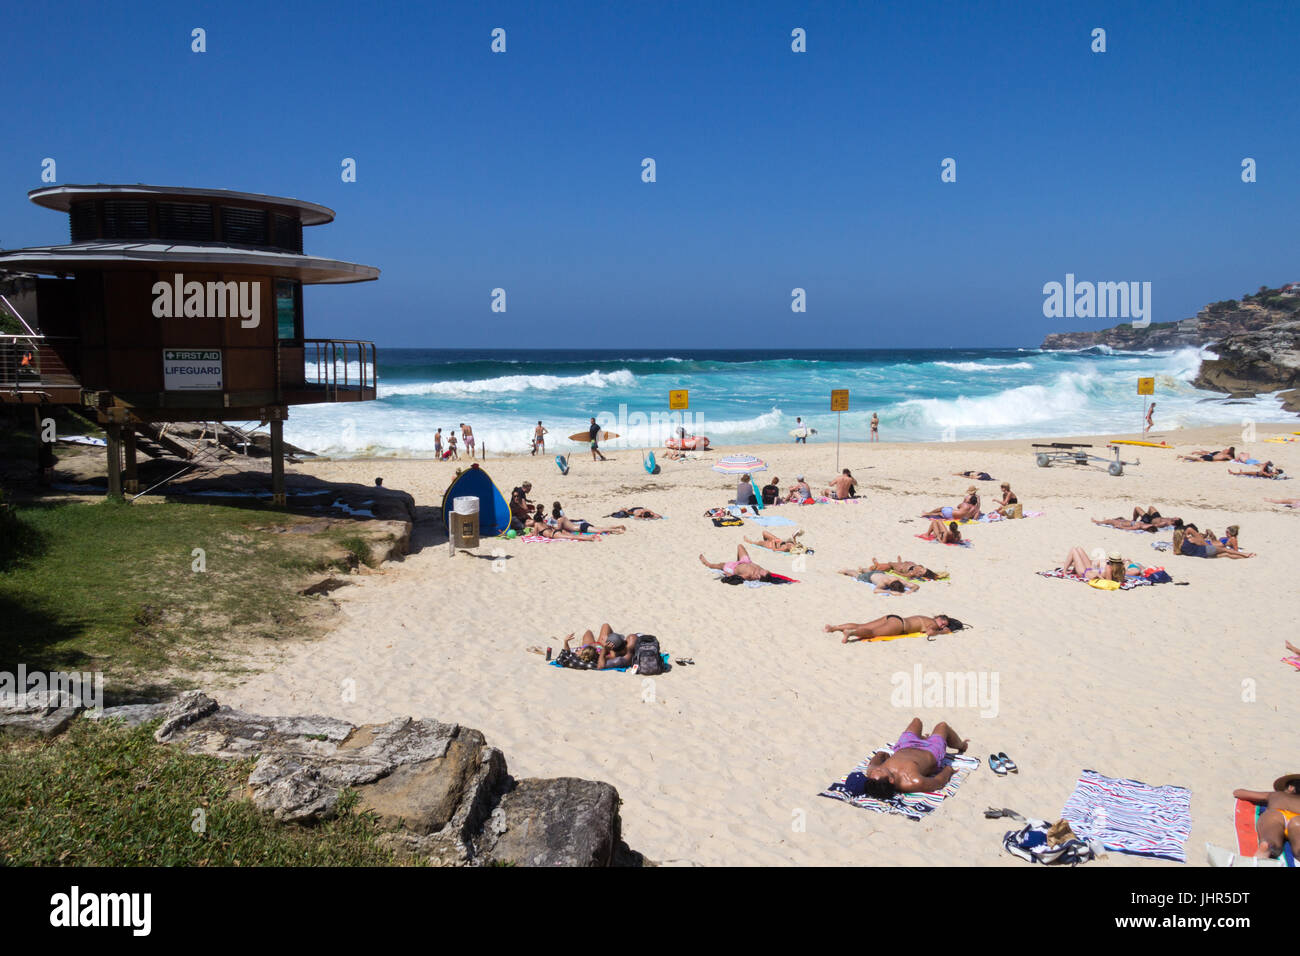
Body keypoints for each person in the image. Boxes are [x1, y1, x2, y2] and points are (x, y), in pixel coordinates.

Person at [851, 718, 969, 797]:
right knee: (942, 726)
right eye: (880, 771)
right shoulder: (913, 781)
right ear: (891, 780)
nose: (877, 769)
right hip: (931, 750)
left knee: (917, 721)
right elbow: (938, 782)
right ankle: (961, 745)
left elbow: (880, 754)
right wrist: (949, 770)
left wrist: (886, 755)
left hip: (905, 744)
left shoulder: (872, 772)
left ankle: (922, 738)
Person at [1232, 774, 1300, 859]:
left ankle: (1267, 845)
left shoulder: (1277, 795)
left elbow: (1239, 793)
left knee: (1270, 840)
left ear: (1290, 787)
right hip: (1298, 819)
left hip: (1275, 815)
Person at [823, 615, 965, 644]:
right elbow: (930, 633)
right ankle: (851, 633)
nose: (940, 625)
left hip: (893, 617)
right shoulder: (933, 624)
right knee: (871, 633)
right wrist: (942, 632)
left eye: (943, 625)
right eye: (942, 622)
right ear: (938, 618)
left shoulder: (927, 617)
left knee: (863, 625)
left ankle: (834, 628)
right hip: (899, 626)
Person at [562, 625, 641, 670]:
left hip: (589, 646)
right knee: (605, 626)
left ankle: (611, 638)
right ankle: (611, 638)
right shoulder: (614, 653)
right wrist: (606, 643)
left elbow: (600, 666)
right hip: (597, 645)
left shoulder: (611, 656)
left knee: (588, 633)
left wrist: (604, 648)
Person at [698, 545, 776, 582]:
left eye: (762, 571)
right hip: (746, 561)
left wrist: (728, 574)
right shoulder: (765, 572)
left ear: (758, 576)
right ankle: (738, 561)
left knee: (720, 565)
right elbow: (770, 574)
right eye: (765, 570)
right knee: (740, 546)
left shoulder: (749, 575)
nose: (763, 569)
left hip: (733, 568)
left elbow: (736, 577)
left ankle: (707, 564)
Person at [1176, 525, 1254, 559]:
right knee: (1226, 554)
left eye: (1227, 532)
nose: (1225, 533)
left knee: (1226, 552)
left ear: (1231, 533)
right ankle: (1246, 557)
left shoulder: (1232, 539)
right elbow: (1215, 541)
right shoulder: (1224, 538)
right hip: (1208, 545)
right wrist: (1212, 535)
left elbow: (1235, 550)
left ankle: (1245, 555)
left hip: (1208, 546)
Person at [548, 502, 625, 534]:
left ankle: (617, 530)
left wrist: (551, 526)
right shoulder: (563, 517)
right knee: (599, 528)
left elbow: (559, 529)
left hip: (581, 527)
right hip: (582, 525)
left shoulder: (559, 520)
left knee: (599, 530)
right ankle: (616, 526)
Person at [836, 567, 918, 594]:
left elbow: (915, 586)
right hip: (869, 577)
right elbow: (875, 590)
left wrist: (911, 590)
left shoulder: (897, 579)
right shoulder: (883, 584)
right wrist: (889, 592)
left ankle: (862, 568)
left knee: (869, 571)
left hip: (879, 573)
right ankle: (846, 571)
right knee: (857, 576)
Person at [1062, 547, 1126, 581]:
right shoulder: (1121, 567)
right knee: (1079, 548)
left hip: (1085, 573)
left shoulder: (1109, 568)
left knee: (1073, 550)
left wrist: (1099, 576)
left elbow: (1108, 582)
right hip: (1090, 569)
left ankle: (1064, 572)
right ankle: (1074, 569)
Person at [865, 556, 948, 580]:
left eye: (920, 572)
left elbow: (903, 575)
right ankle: (877, 564)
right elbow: (926, 571)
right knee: (893, 564)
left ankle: (876, 564)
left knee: (874, 567)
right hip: (901, 564)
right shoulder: (920, 567)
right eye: (922, 569)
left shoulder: (911, 573)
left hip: (893, 566)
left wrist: (895, 572)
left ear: (919, 575)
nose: (920, 569)